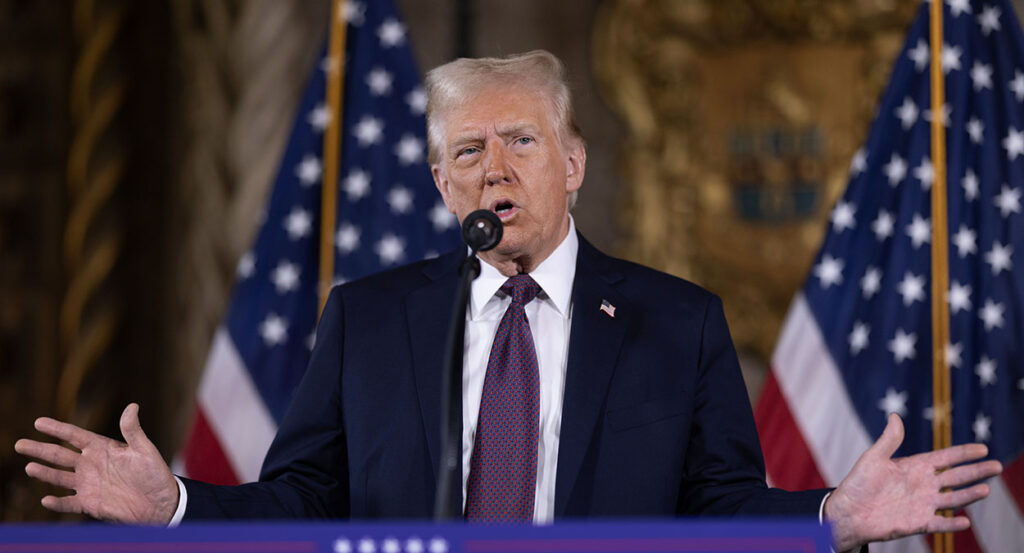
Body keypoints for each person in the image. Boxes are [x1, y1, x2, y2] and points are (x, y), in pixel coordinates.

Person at [15, 50, 1001, 552]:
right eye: (468, 153)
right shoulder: (369, 319)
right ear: (444, 186)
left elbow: (721, 512)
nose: (496, 171)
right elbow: (304, 503)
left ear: (571, 163)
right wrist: (177, 504)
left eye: (520, 142)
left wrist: (831, 516)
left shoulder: (676, 320)